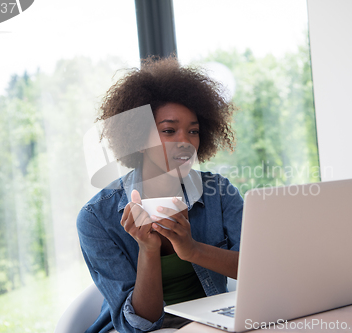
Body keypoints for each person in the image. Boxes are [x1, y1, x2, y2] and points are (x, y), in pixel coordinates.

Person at [77, 56, 244, 333]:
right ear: (139, 139)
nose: (185, 142)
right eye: (169, 130)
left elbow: (257, 272)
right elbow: (139, 323)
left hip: (210, 324)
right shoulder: (97, 218)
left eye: (193, 131)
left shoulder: (220, 193)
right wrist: (148, 249)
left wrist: (192, 249)